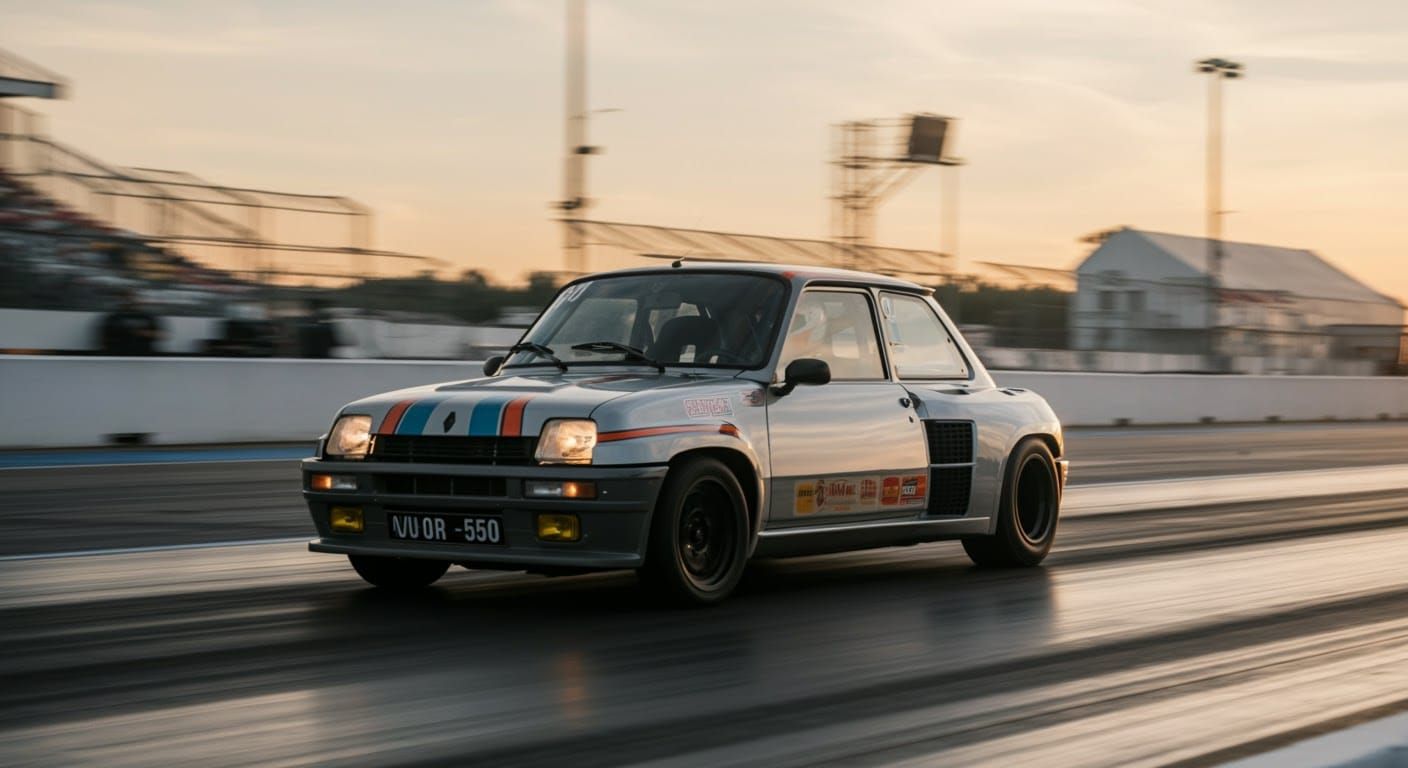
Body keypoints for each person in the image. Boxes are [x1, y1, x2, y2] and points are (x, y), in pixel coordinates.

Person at [98, 290, 164, 356]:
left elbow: (161, 335)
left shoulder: (147, 317)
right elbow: (104, 340)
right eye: (126, 299)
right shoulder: (114, 317)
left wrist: (143, 333)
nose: (130, 301)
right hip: (118, 355)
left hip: (143, 356)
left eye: (132, 298)